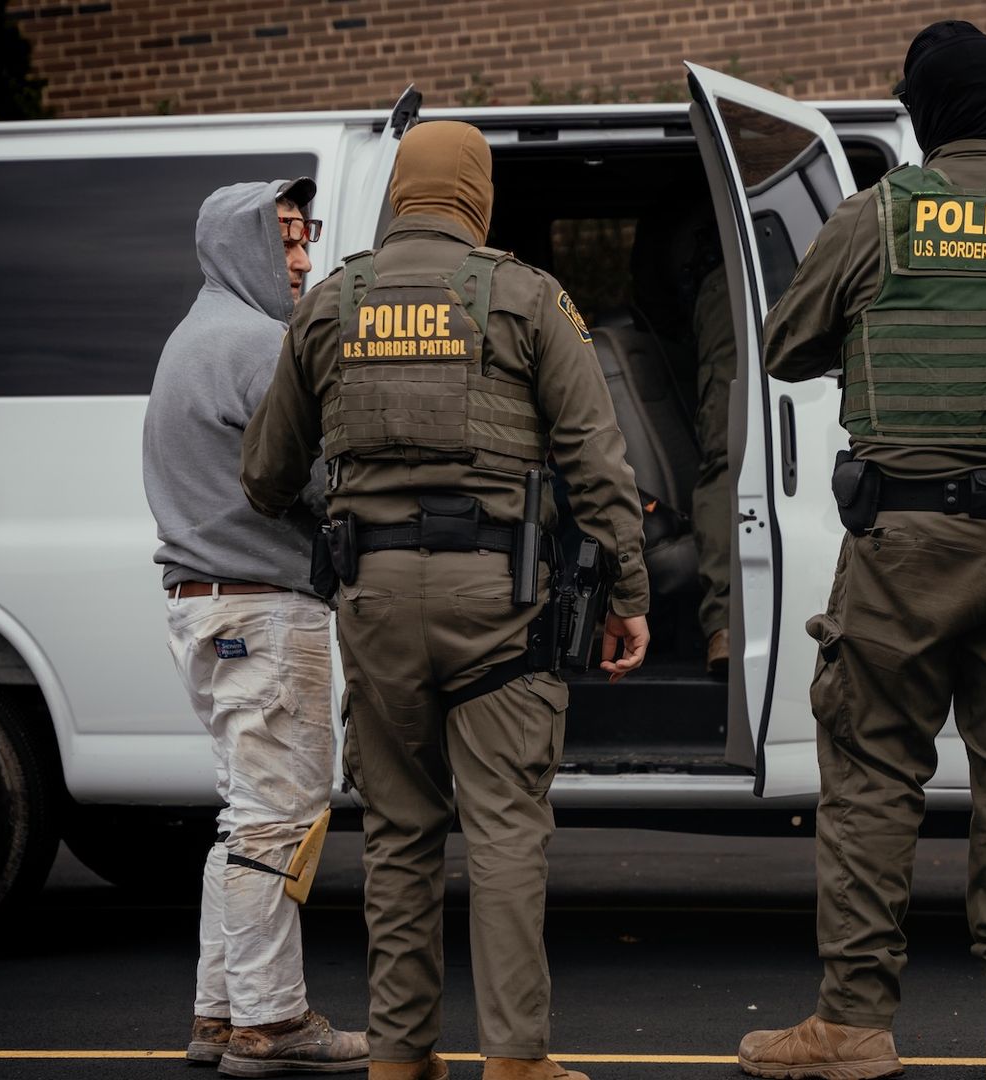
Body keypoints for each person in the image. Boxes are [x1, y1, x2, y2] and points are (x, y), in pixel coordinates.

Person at [737, 21, 986, 1080]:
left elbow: (783, 344)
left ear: (919, 112)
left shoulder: (876, 220)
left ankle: (854, 1027)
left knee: (868, 783)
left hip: (901, 549)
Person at [240, 121, 652, 1080]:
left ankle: (399, 1057)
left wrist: (349, 518)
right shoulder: (526, 296)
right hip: (498, 604)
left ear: (398, 192)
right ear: (478, 195)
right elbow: (598, 462)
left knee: (398, 836)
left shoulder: (332, 301)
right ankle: (514, 1060)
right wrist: (628, 592)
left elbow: (264, 474)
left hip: (373, 599)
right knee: (506, 830)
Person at [143, 177, 370, 1076]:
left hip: (207, 607)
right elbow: (312, 479)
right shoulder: (254, 344)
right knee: (280, 816)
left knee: (243, 815)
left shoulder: (193, 337)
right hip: (263, 610)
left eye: (304, 238)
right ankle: (272, 1024)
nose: (303, 260)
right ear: (239, 245)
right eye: (284, 242)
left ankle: (219, 1013)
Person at [689, 254, 736, 675]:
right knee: (728, 464)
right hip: (747, 270)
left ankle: (726, 625)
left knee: (726, 463)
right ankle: (725, 626)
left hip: (731, 275)